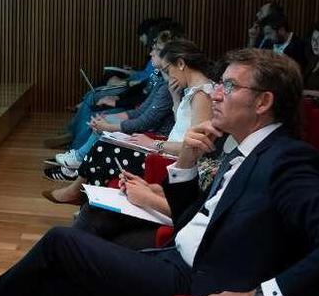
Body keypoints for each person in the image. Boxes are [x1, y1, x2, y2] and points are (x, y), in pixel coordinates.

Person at [0, 49, 319, 296]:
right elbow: (195, 219)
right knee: (62, 277)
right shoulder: (243, 148)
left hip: (198, 284)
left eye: (229, 86)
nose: (216, 93)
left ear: (264, 102)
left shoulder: (289, 159)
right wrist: (187, 163)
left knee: (62, 242)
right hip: (178, 257)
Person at [43, 39, 213, 196]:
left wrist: (155, 144)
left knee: (103, 149)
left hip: (171, 160)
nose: (170, 77)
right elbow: (182, 126)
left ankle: (79, 195)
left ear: (181, 64)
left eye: (169, 70)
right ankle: (82, 197)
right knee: (105, 143)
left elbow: (195, 149)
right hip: (167, 149)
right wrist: (175, 97)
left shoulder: (201, 94)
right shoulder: (193, 89)